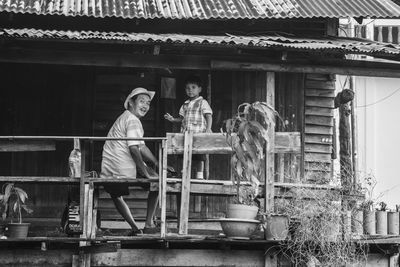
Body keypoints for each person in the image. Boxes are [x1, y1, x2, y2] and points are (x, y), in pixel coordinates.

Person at [101, 87, 160, 235]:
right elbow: (134, 149)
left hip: (109, 169)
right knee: (158, 183)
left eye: (148, 103)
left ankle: (135, 228)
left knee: (116, 195)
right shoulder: (132, 120)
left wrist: (157, 162)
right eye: (141, 101)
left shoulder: (124, 117)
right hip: (123, 167)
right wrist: (146, 172)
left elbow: (141, 147)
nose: (145, 105)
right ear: (131, 103)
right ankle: (149, 224)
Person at [164, 75, 213, 179]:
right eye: (188, 88)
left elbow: (208, 116)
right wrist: (173, 119)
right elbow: (182, 119)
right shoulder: (185, 104)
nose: (190, 90)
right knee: (184, 154)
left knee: (199, 155)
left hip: (198, 134)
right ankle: (184, 173)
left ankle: (199, 175)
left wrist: (208, 128)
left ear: (200, 89)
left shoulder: (202, 102)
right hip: (186, 135)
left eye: (193, 87)